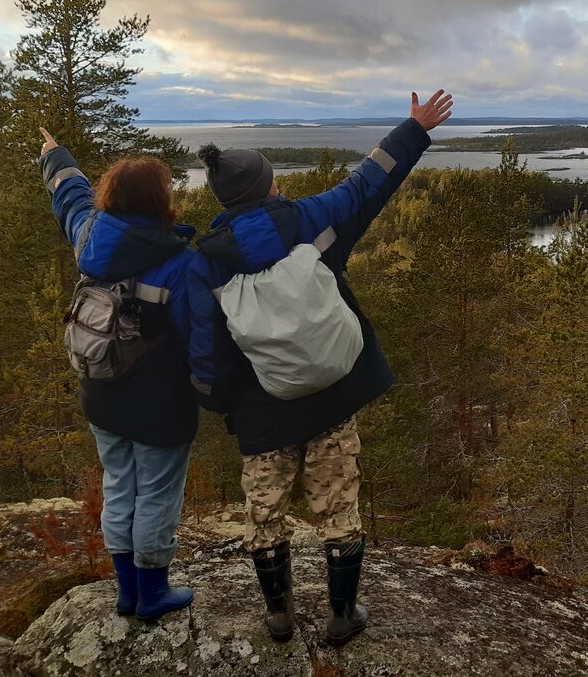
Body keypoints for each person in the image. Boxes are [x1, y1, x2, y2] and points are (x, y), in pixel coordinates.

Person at [186, 89, 453, 646]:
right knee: (339, 505)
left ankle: (279, 616)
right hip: (332, 394)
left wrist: (226, 402)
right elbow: (370, 184)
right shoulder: (313, 220)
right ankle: (342, 614)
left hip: (263, 412)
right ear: (269, 186)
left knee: (264, 512)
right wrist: (413, 128)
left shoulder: (204, 263)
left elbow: (206, 352)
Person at [38, 128, 199, 621]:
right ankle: (152, 593)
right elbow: (203, 335)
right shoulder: (180, 262)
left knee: (118, 486)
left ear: (110, 197)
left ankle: (127, 592)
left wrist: (54, 154)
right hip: (161, 407)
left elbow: (70, 196)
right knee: (155, 494)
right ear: (160, 201)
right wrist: (217, 388)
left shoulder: (89, 235)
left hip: (102, 395)